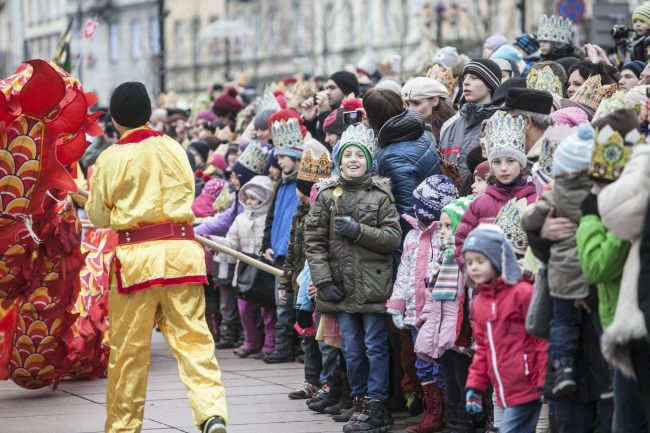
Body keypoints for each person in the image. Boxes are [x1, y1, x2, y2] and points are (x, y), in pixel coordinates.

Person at [86, 82, 228, 433]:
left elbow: (100, 217)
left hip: (137, 261)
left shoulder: (111, 158)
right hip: (182, 254)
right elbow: (188, 193)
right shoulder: (175, 148)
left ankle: (123, 426)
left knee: (129, 352)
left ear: (115, 120)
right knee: (195, 341)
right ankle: (211, 412)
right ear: (149, 112)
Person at [305, 124, 402, 433]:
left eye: (359, 155)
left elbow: (391, 237)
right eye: (347, 154)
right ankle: (359, 401)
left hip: (373, 285)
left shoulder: (381, 194)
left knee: (375, 346)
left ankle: (377, 406)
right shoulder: (326, 195)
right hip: (340, 286)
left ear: (369, 161)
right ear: (339, 161)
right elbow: (314, 242)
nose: (353, 159)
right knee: (351, 348)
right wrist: (323, 281)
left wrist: (358, 231)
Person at [521, 124, 595, 398]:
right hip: (591, 273)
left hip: (563, 275)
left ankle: (563, 369)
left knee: (563, 324)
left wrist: (539, 224)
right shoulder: (600, 193)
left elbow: (528, 219)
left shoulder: (556, 193)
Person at [386, 175, 459, 433]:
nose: (417, 211)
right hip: (414, 311)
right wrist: (397, 304)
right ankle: (433, 414)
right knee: (422, 363)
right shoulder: (412, 237)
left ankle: (450, 414)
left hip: (438, 314)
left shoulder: (445, 235)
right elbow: (404, 273)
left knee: (441, 364)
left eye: (422, 206)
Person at [462, 225, 547, 433]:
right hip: (504, 390)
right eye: (470, 262)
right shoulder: (480, 302)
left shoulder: (522, 293)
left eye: (480, 261)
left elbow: (541, 338)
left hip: (528, 386)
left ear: (497, 259)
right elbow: (482, 348)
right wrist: (475, 386)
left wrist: (545, 379)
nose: (473, 267)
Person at [283, 140, 334, 401]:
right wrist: (285, 283)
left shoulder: (323, 217)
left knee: (323, 337)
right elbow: (292, 254)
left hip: (317, 285)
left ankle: (327, 382)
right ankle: (310, 381)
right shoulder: (298, 217)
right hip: (299, 284)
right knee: (307, 338)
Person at [455, 111, 537, 268]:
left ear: (521, 163)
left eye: (511, 161)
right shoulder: (479, 204)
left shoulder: (535, 200)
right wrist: (474, 273)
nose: (504, 168)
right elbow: (461, 243)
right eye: (497, 162)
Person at [363, 88, 440, 238]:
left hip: (410, 238)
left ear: (374, 117)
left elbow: (406, 210)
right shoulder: (416, 132)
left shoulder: (392, 156)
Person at [262, 113, 305, 363]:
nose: (278, 162)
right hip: (278, 252)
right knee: (282, 302)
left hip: (295, 252)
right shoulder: (281, 185)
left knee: (295, 303)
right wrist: (266, 244)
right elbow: (272, 219)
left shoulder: (302, 184)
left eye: (282, 157)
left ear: (297, 157)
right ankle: (283, 346)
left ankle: (295, 346)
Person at [225, 175, 277, 359]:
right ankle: (251, 341)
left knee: (267, 310)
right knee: (244, 308)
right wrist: (212, 240)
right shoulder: (241, 218)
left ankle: (270, 344)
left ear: (264, 198)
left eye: (253, 198)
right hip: (246, 268)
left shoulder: (272, 217)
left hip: (265, 268)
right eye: (246, 197)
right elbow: (230, 242)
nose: (249, 201)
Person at [439, 59, 501, 179]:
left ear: (490, 85)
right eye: (465, 77)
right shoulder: (448, 125)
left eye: (473, 77)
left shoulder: (502, 123)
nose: (466, 82)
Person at [401, 77, 456, 143]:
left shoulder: (454, 129)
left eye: (416, 103)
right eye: (407, 104)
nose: (410, 109)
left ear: (435, 101)